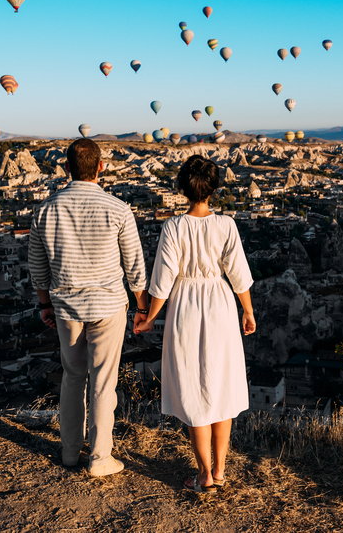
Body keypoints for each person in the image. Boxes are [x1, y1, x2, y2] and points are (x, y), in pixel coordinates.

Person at [134, 155, 256, 493]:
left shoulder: (173, 227)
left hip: (186, 304)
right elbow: (238, 274)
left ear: (181, 188)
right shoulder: (226, 224)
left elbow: (162, 280)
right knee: (221, 387)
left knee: (194, 388)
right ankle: (219, 471)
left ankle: (203, 473)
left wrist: (150, 318)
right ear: (215, 188)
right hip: (220, 303)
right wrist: (247, 311)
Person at [29, 138, 148, 477]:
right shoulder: (118, 208)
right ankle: (99, 458)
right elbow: (135, 267)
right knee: (102, 383)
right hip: (108, 304)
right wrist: (142, 308)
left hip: (65, 306)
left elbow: (37, 266)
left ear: (67, 168)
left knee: (72, 377)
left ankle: (68, 454)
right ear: (100, 167)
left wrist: (44, 304)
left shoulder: (46, 209)